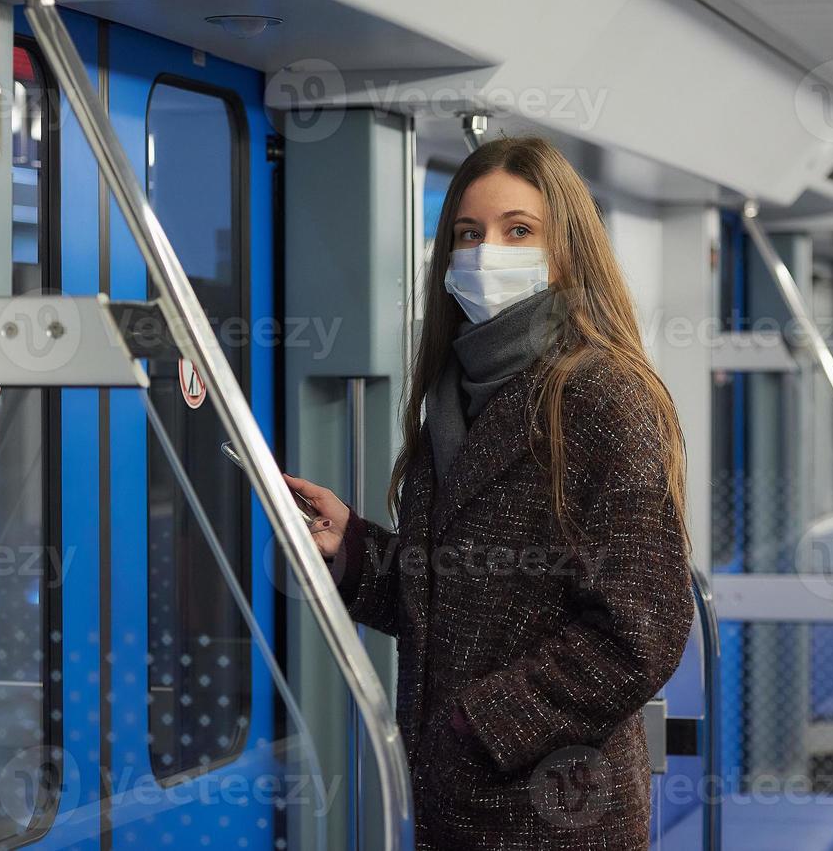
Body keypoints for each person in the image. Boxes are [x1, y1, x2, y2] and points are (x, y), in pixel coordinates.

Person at [284, 136, 693, 849]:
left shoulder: (601, 397)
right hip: (459, 802)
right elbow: (461, 599)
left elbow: (642, 634)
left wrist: (481, 723)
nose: (483, 254)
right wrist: (354, 549)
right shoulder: (454, 395)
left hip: (556, 810)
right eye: (467, 235)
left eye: (518, 231)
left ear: (567, 250)